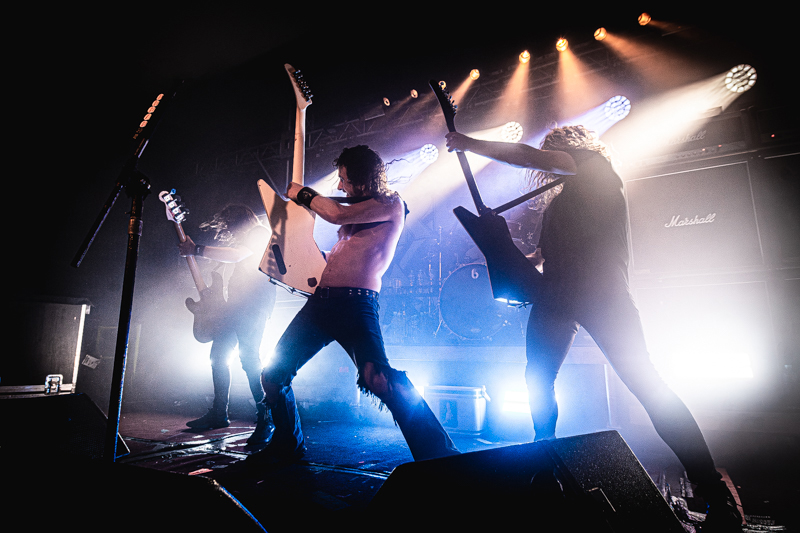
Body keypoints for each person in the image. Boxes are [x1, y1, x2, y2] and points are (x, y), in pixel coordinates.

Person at [445, 126, 742, 532]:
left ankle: (714, 491)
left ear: (573, 149)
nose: (548, 161)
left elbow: (527, 156)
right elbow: (542, 259)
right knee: (538, 377)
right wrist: (499, 246)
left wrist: (470, 144)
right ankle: (544, 468)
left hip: (603, 293)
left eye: (554, 153)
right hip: (558, 296)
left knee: (647, 386)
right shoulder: (559, 206)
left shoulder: (597, 168)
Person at [248, 145, 459, 465]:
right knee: (273, 375)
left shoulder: (392, 204)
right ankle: (287, 445)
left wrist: (303, 193)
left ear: (362, 180)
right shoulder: (360, 211)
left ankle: (440, 455)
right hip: (321, 304)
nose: (340, 186)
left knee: (378, 379)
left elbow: (336, 213)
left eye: (345, 179)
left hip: (356, 305)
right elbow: (336, 247)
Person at [179, 204, 277, 446]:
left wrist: (197, 249)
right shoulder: (244, 238)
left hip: (254, 305)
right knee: (218, 356)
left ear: (239, 222)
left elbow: (238, 254)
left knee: (249, 358)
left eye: (231, 227)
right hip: (235, 306)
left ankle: (267, 417)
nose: (230, 233)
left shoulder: (259, 232)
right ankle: (219, 413)